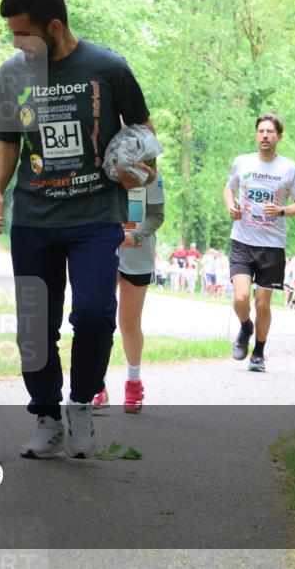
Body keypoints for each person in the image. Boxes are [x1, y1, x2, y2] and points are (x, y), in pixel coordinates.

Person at [0, 0, 156, 459]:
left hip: (96, 214)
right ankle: (45, 417)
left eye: (24, 34)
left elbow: (142, 129)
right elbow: (6, 139)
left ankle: (80, 404)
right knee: (35, 325)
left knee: (96, 314)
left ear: (54, 27)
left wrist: (141, 167)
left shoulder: (108, 67)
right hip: (35, 217)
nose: (17, 44)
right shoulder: (12, 75)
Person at [224, 113, 295, 372]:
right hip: (242, 240)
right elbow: (230, 189)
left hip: (272, 245)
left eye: (270, 132)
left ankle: (259, 353)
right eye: (261, 131)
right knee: (240, 298)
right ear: (256, 135)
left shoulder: (290, 169)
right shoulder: (242, 162)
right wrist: (231, 206)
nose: (264, 135)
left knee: (262, 302)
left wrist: (281, 210)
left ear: (279, 137)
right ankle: (246, 326)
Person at [93, 168, 165, 413]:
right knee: (98, 319)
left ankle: (133, 383)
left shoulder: (151, 174)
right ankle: (97, 386)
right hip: (104, 249)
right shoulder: (100, 169)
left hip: (138, 253)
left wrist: (135, 236)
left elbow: (156, 215)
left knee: (129, 322)